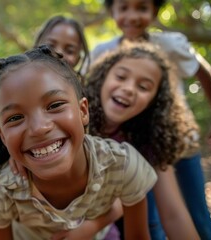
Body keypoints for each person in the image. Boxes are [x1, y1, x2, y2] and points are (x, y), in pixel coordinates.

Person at [0, 45, 157, 240]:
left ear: (83, 111)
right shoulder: (2, 191)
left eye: (55, 105)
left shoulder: (123, 165)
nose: (39, 128)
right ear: (3, 137)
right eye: (15, 118)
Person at [91, 1, 211, 239]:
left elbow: (174, 215)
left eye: (141, 8)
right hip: (136, 145)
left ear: (154, 12)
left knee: (198, 216)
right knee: (151, 221)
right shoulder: (103, 53)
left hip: (175, 142)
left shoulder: (169, 44)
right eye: (124, 8)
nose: (132, 16)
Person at [86, 42, 200, 239]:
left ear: (154, 102)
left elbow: (174, 215)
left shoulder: (147, 140)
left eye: (144, 87)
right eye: (121, 77)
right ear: (103, 77)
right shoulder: (71, 118)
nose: (129, 88)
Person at [33, 15, 90, 81]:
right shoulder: (20, 81)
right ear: (36, 47)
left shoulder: (79, 90)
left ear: (78, 59)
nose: (58, 53)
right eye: (50, 46)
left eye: (69, 51)